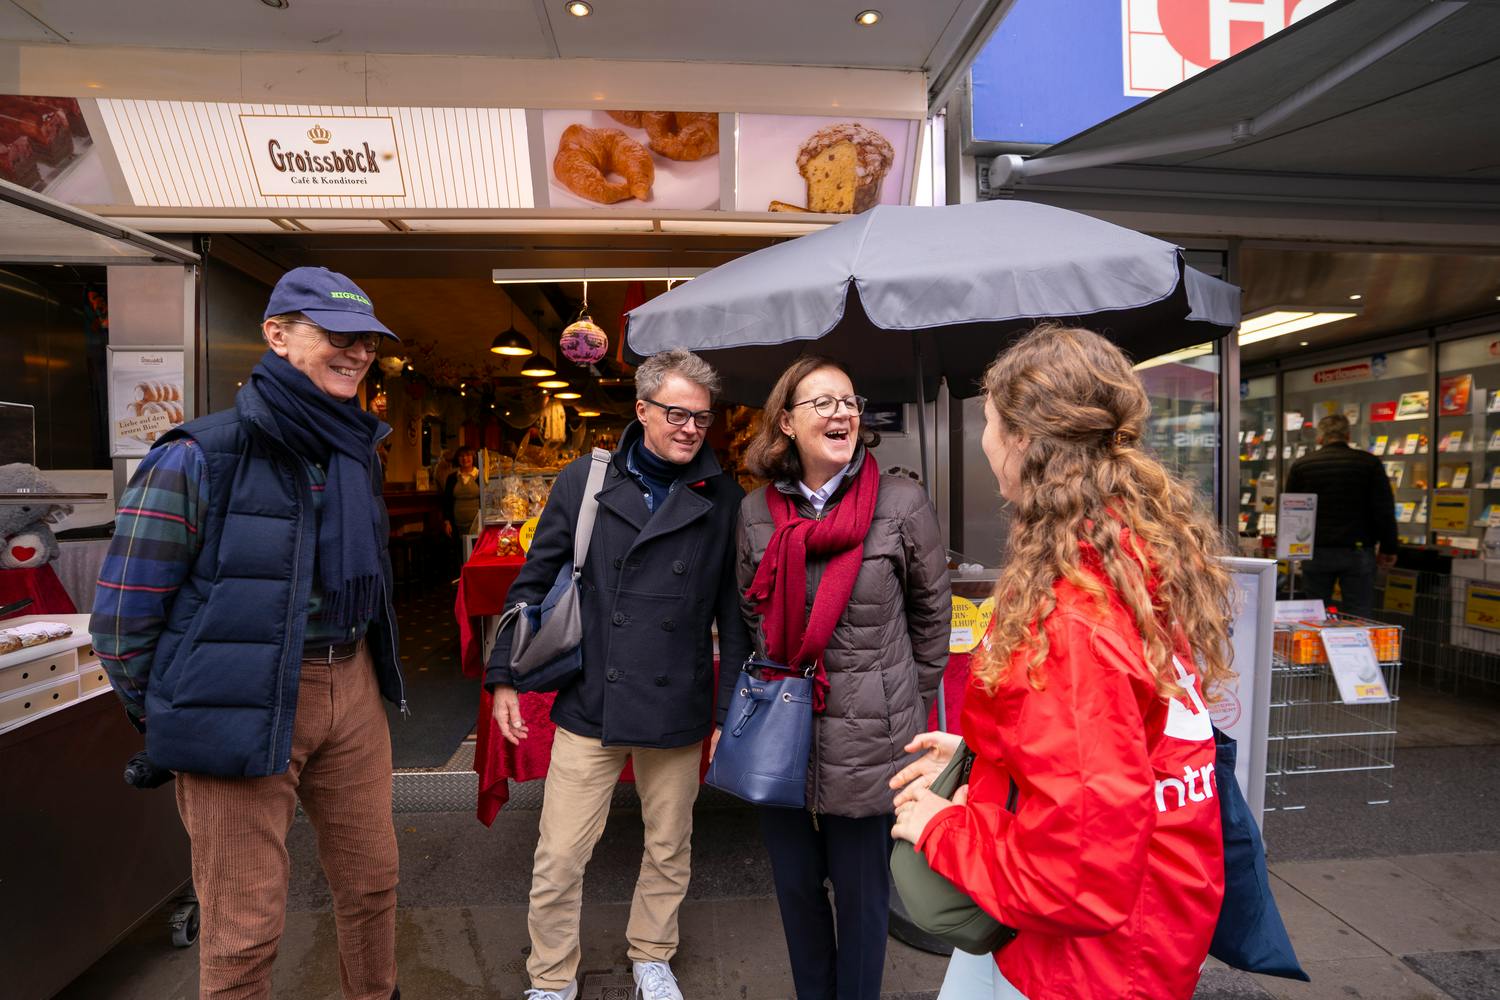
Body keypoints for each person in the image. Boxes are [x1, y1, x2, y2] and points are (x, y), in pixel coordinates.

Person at [89, 266, 406, 1000]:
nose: (359, 352)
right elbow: (122, 619)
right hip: (236, 697)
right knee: (244, 923)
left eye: (367, 340)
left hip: (350, 683)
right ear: (277, 335)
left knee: (373, 884)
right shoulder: (198, 453)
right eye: (337, 335)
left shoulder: (355, 449)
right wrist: (173, 714)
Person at [890, 325, 1233, 1000]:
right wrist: (988, 758)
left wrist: (942, 828)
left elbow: (1076, 878)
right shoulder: (1133, 552)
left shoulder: (1074, 615)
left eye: (989, 421)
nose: (985, 440)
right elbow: (1119, 747)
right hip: (1147, 922)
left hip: (1083, 966)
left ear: (1022, 440)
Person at [487, 349, 752, 1000]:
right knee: (559, 853)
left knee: (669, 845)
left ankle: (652, 957)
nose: (690, 428)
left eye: (702, 418)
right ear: (642, 410)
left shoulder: (725, 498)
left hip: (677, 700)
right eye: (676, 414)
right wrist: (503, 677)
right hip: (592, 698)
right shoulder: (585, 481)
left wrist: (727, 714)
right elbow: (533, 580)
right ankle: (551, 978)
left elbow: (736, 618)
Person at [736, 356, 950, 1000]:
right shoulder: (755, 512)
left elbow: (931, 617)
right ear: (786, 422)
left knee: (863, 900)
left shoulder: (901, 502)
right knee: (797, 893)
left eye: (849, 402)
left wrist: (902, 702)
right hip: (782, 736)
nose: (842, 414)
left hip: (872, 740)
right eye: (823, 403)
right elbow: (749, 612)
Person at [1285, 412, 1398, 617]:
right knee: (1359, 612)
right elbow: (1383, 508)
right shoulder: (1369, 463)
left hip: (1316, 550)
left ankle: (1317, 638)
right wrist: (1389, 547)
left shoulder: (1302, 465)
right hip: (1358, 550)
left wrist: (1288, 547)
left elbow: (1290, 510)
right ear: (1347, 436)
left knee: (1315, 613)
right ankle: (1357, 639)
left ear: (1320, 438)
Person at [444, 444, 482, 570]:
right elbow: (447, 501)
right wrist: (447, 521)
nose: (465, 459)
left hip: (477, 523)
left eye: (468, 455)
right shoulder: (452, 478)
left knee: (477, 551)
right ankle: (463, 575)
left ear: (473, 457)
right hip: (457, 524)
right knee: (461, 553)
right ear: (458, 459)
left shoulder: (480, 475)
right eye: (461, 456)